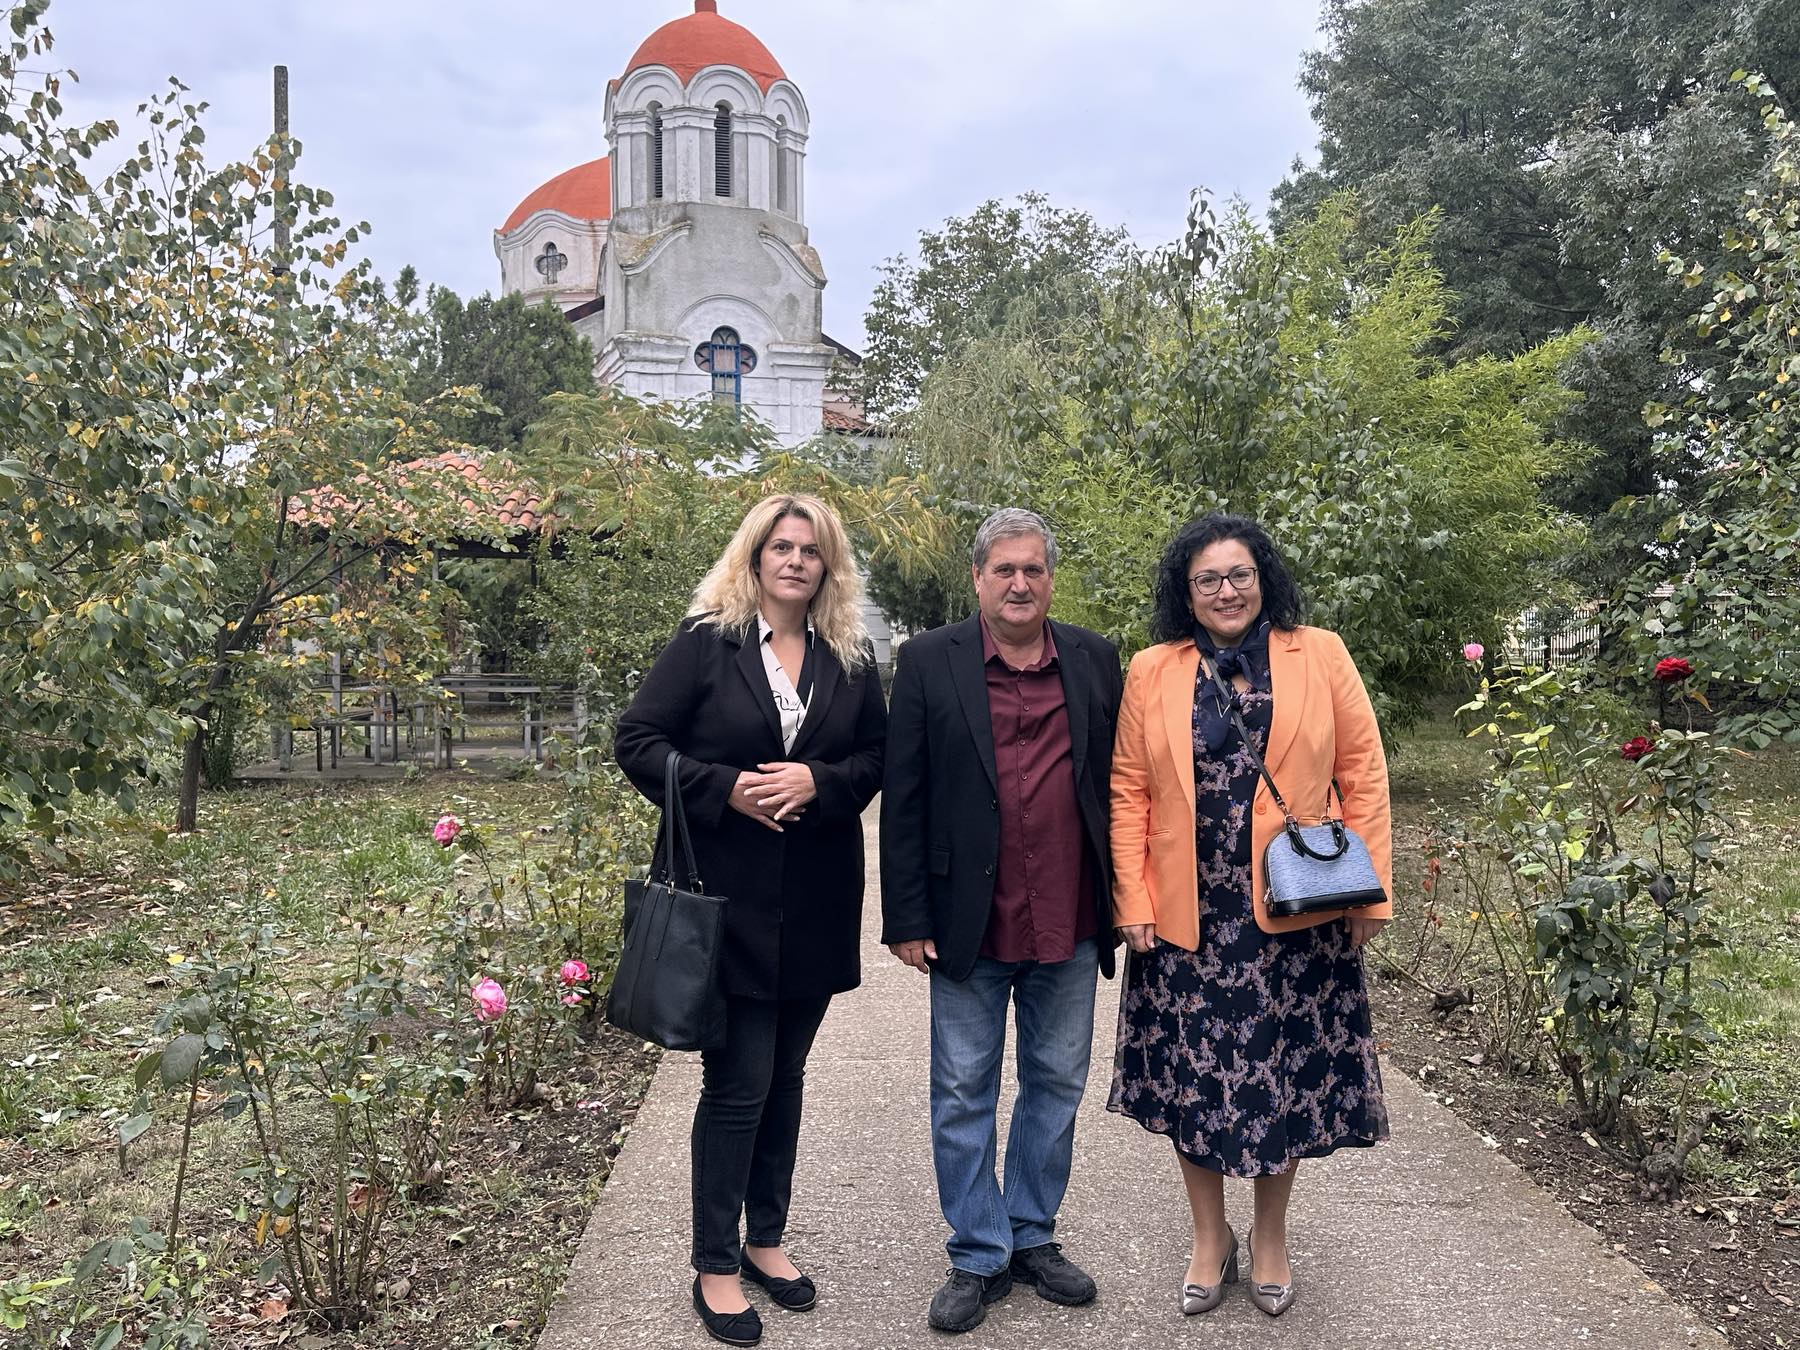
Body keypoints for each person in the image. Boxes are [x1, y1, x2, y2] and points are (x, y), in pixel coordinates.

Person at [614, 493, 887, 1348]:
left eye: (811, 549)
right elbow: (637, 740)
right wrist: (724, 787)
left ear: (828, 564)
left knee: (787, 1078)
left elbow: (876, 757)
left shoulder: (850, 655)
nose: (796, 561)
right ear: (756, 557)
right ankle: (715, 1263)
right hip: (724, 901)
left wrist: (821, 783)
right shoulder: (708, 643)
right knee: (738, 1085)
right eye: (782, 547)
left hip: (816, 903)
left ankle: (765, 1238)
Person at [1106, 513, 1392, 1318]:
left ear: (1263, 579)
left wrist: (1370, 892)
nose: (1226, 591)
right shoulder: (1152, 668)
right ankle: (1210, 1237)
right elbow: (1128, 789)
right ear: (1186, 592)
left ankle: (1270, 1236)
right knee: (1191, 1083)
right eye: (1208, 579)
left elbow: (1363, 771)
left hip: (1298, 910)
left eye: (1240, 575)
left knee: (1283, 1079)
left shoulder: (1320, 652)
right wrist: (1132, 898)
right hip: (1187, 917)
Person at [880, 507, 1123, 1334]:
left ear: (1050, 578)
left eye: (1033, 569)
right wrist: (906, 915)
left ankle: (1031, 1233)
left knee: (1056, 1083)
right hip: (967, 920)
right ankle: (978, 1250)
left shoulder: (1093, 658)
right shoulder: (928, 660)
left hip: (1071, 915)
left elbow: (1118, 784)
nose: (1020, 584)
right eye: (1004, 570)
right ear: (978, 578)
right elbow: (904, 796)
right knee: (962, 1091)